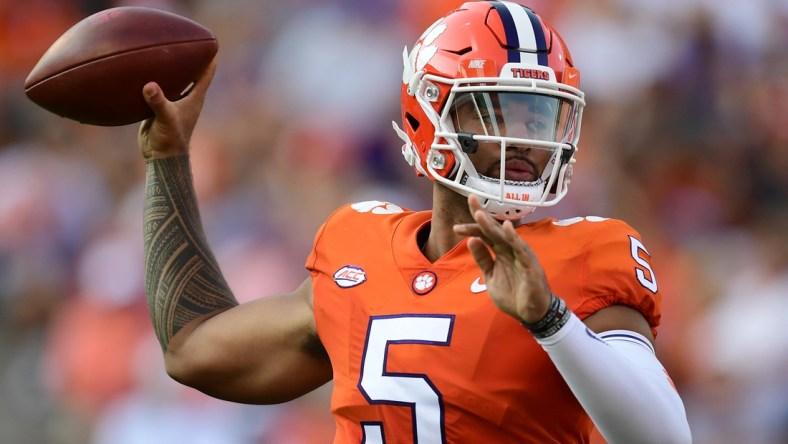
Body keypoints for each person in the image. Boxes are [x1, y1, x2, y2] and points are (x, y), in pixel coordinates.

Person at [138, 1, 692, 442]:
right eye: (497, 109)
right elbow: (194, 350)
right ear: (426, 114)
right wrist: (167, 157)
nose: (523, 137)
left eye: (540, 114)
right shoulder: (358, 246)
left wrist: (550, 320)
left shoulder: (586, 256)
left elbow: (665, 438)